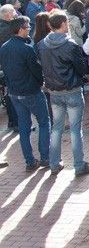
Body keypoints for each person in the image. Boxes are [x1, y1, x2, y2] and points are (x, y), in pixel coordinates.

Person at [36, 10, 89, 176]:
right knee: (75, 130)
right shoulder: (70, 45)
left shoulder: (41, 44)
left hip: (54, 90)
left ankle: (54, 163)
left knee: (56, 128)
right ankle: (78, 165)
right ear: (63, 24)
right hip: (71, 90)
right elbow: (82, 68)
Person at [0, 17, 50, 171]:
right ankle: (45, 157)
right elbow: (36, 70)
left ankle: (29, 161)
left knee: (24, 126)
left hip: (14, 92)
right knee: (44, 122)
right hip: (30, 91)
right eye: (27, 27)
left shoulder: (5, 47)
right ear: (21, 29)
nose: (29, 29)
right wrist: (41, 82)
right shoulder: (26, 48)